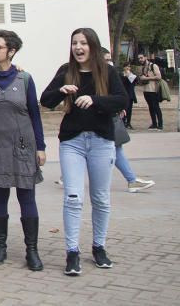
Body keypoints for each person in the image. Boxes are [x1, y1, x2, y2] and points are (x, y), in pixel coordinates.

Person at [41, 28, 128, 276]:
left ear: (92, 45)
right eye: (74, 43)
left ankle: (99, 247)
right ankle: (72, 251)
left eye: (83, 43)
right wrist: (61, 91)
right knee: (73, 197)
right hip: (73, 142)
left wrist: (95, 100)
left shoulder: (107, 71)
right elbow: (45, 100)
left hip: (101, 141)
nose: (78, 48)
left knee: (100, 198)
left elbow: (122, 100)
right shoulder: (66, 71)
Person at [0, 30, 45, 271]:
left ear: (11, 50)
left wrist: (41, 146)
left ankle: (32, 250)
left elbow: (35, 115)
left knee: (26, 196)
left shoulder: (25, 78)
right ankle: (0, 247)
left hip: (23, 146)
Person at [103, 51, 154, 193]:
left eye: (109, 59)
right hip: (101, 121)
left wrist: (119, 107)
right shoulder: (98, 76)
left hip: (109, 117)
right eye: (106, 60)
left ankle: (132, 180)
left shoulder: (108, 74)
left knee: (116, 148)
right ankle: (131, 180)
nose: (109, 63)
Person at [137, 53, 164, 130]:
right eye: (139, 58)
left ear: (145, 57)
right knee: (151, 108)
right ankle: (154, 124)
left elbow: (159, 76)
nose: (140, 60)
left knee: (156, 107)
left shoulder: (153, 66)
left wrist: (146, 78)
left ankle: (160, 124)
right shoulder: (143, 68)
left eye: (141, 58)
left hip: (153, 90)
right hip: (146, 90)